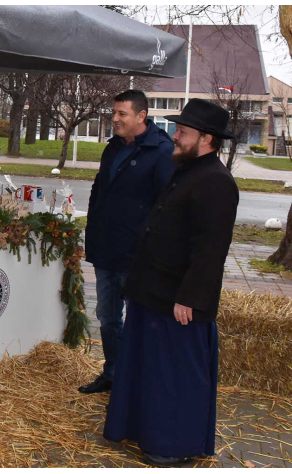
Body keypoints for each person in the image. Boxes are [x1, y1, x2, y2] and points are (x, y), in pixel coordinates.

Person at [103, 98, 239, 467]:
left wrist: (189, 298)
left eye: (183, 132)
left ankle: (172, 445)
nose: (175, 137)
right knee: (149, 372)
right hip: (152, 291)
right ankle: (144, 431)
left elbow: (211, 250)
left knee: (174, 378)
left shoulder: (216, 181)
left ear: (207, 138)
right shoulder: (188, 168)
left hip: (178, 302)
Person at [79, 90, 176, 394]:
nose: (115, 119)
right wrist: (93, 237)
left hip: (137, 256)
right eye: (114, 113)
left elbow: (167, 207)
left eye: (122, 114)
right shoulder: (113, 148)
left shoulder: (162, 152)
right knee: (107, 318)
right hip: (107, 251)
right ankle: (113, 373)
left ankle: (136, 383)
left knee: (138, 322)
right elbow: (99, 194)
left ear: (141, 116)